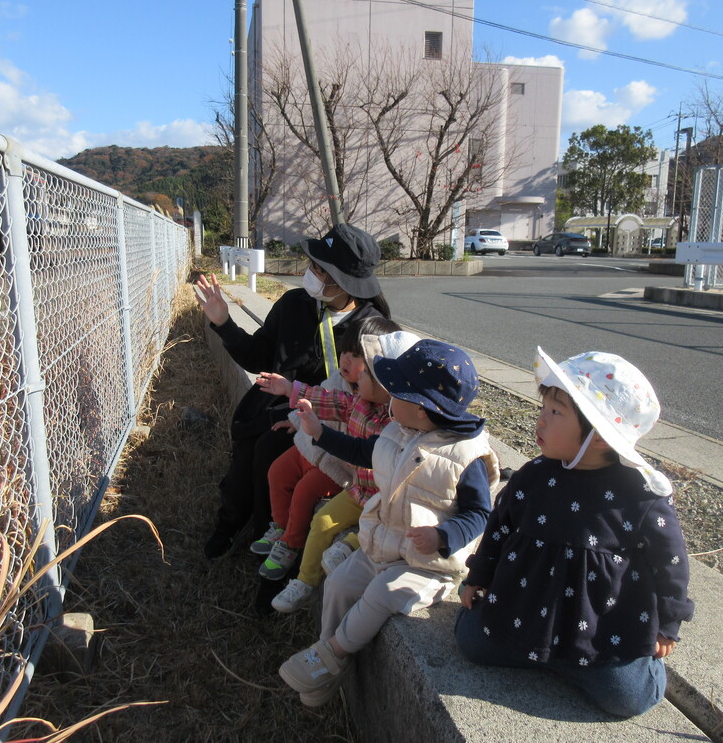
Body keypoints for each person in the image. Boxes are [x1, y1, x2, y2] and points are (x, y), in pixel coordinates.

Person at [453, 347, 695, 718]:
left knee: (628, 698)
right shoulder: (532, 476)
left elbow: (671, 563)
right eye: (544, 407)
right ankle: (537, 651)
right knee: (471, 643)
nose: (540, 419)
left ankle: (632, 667)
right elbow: (499, 529)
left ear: (600, 435)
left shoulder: (640, 498)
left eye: (556, 412)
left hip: (598, 634)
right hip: (523, 611)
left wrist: (668, 623)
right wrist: (478, 577)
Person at [277, 340, 500, 706]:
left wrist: (443, 535)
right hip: (383, 544)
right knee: (339, 583)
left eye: (396, 393)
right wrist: (319, 433)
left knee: (382, 594)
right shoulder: (398, 431)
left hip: (427, 564)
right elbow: (362, 452)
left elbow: (479, 513)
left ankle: (332, 654)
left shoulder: (466, 456)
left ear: (422, 408)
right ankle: (327, 657)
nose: (388, 397)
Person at [196, 223, 390, 559]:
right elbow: (259, 357)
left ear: (343, 280)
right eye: (313, 264)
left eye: (320, 268)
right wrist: (224, 323)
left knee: (269, 449)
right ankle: (230, 524)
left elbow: (369, 393)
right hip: (275, 403)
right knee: (248, 451)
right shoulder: (294, 304)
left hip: (330, 419)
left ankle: (271, 540)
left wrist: (307, 417)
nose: (311, 272)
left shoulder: (369, 327)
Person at [255, 325, 420, 609]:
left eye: (365, 373)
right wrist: (290, 389)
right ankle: (305, 582)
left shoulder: (400, 425)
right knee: (321, 521)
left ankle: (350, 544)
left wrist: (320, 433)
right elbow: (330, 399)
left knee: (372, 530)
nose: (357, 377)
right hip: (359, 491)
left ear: (386, 384)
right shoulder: (360, 402)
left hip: (386, 501)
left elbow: (360, 451)